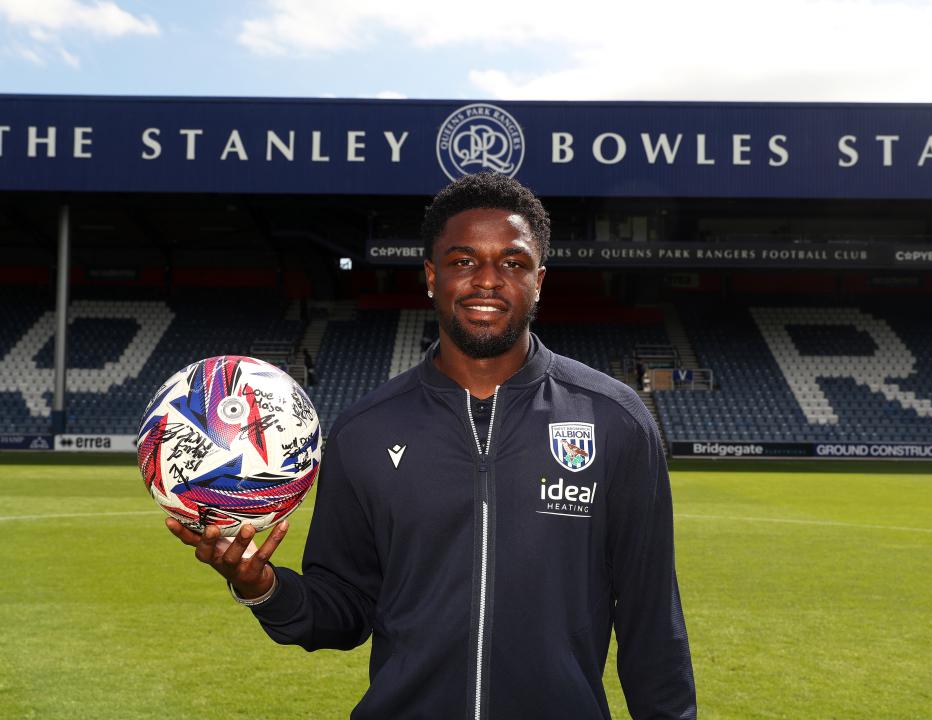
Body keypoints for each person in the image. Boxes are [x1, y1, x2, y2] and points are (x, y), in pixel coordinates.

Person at [167, 172, 696, 719]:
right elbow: (345, 608)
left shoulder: (615, 418)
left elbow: (651, 619)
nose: (487, 280)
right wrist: (262, 587)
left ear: (539, 279)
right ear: (431, 276)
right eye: (464, 261)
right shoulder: (363, 430)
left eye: (512, 263)